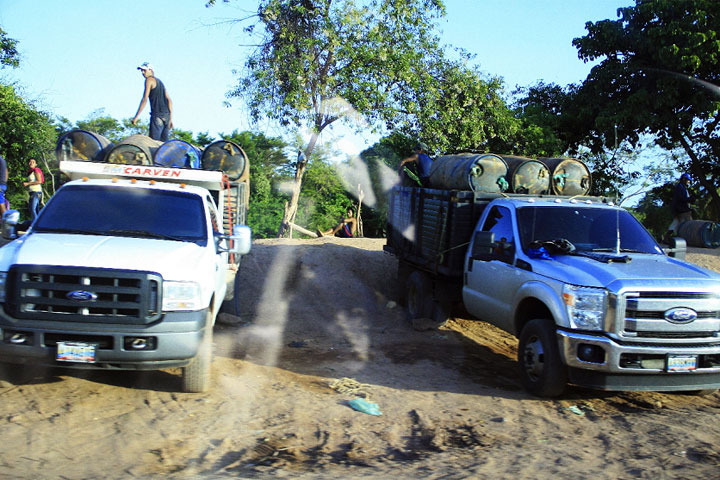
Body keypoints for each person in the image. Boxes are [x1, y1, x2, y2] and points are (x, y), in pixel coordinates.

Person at [132, 62, 173, 141]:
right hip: (167, 117)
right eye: (141, 71)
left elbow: (144, 99)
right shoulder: (160, 82)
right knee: (163, 145)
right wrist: (170, 118)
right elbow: (169, 100)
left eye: (144, 70)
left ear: (150, 70)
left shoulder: (149, 80)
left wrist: (136, 117)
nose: (142, 73)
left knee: (153, 143)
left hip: (157, 116)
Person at [665, 172, 696, 242]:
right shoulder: (680, 188)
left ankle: (666, 238)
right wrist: (690, 199)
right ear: (684, 179)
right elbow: (681, 199)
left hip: (680, 209)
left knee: (675, 224)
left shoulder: (682, 187)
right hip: (682, 210)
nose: (689, 182)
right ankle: (687, 239)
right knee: (688, 224)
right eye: (688, 180)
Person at [0, 150, 7, 216]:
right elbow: (6, 172)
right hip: (2, 184)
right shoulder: (2, 159)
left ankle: (8, 221)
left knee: (1, 204)